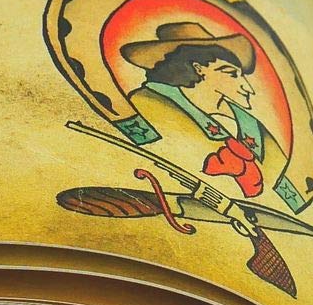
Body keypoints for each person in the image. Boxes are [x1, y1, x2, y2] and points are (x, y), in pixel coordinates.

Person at [118, 21, 291, 206]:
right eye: (232, 74)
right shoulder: (146, 104)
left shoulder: (251, 126)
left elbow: (284, 190)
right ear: (198, 69)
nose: (248, 88)